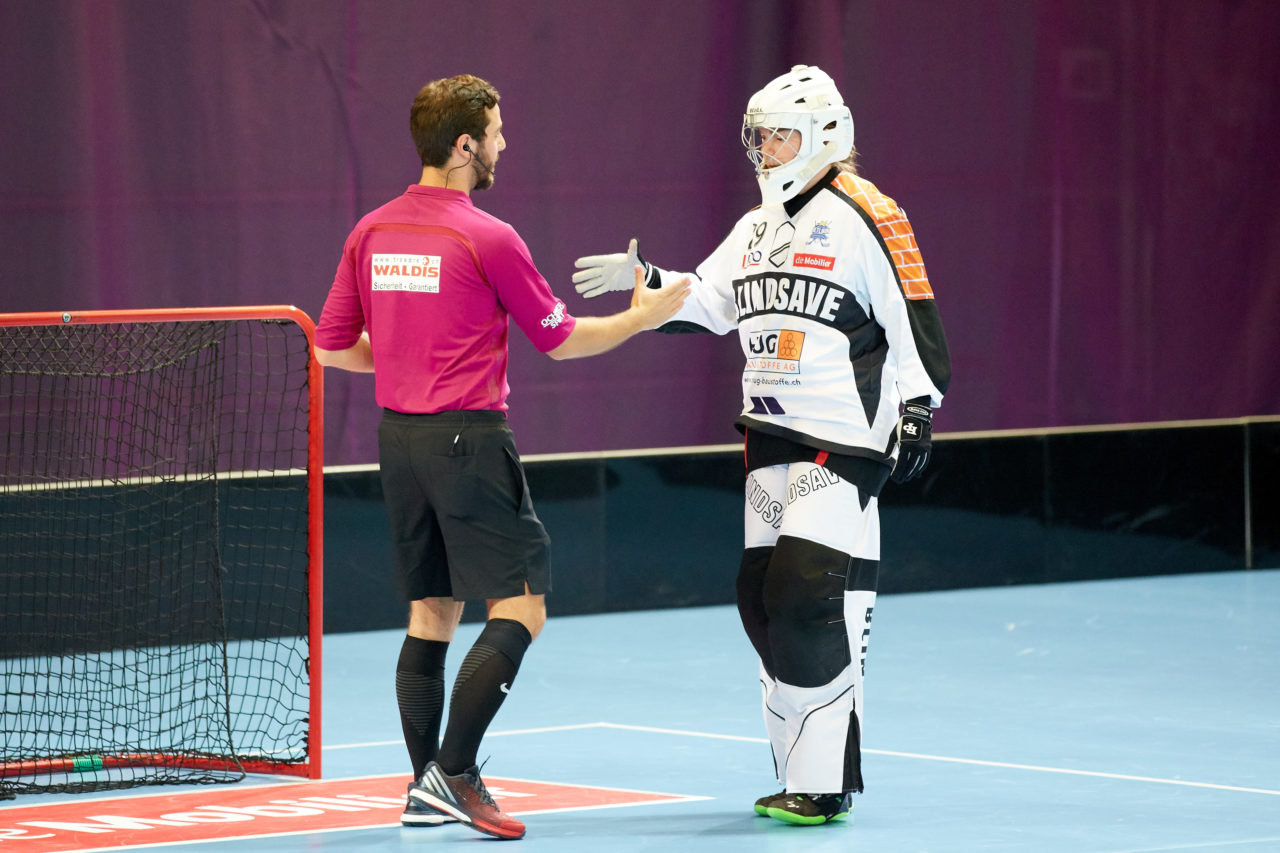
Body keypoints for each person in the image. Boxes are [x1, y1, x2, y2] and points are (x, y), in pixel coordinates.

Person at [572, 65, 951, 826]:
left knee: (804, 592)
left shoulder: (867, 212)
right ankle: (800, 770)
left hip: (844, 433)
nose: (763, 150)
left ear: (823, 135)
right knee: (760, 596)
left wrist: (919, 403)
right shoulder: (755, 225)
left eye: (778, 135)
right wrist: (646, 279)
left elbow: (911, 310)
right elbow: (708, 302)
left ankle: (827, 779)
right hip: (769, 430)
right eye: (758, 136)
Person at [313, 74, 689, 840]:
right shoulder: (487, 236)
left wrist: (409, 358)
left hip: (400, 443)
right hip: (469, 442)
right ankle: (454, 772)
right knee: (522, 606)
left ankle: (425, 787)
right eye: (495, 131)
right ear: (464, 145)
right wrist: (642, 317)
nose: (503, 143)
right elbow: (560, 338)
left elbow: (330, 348)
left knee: (431, 613)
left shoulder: (371, 231)